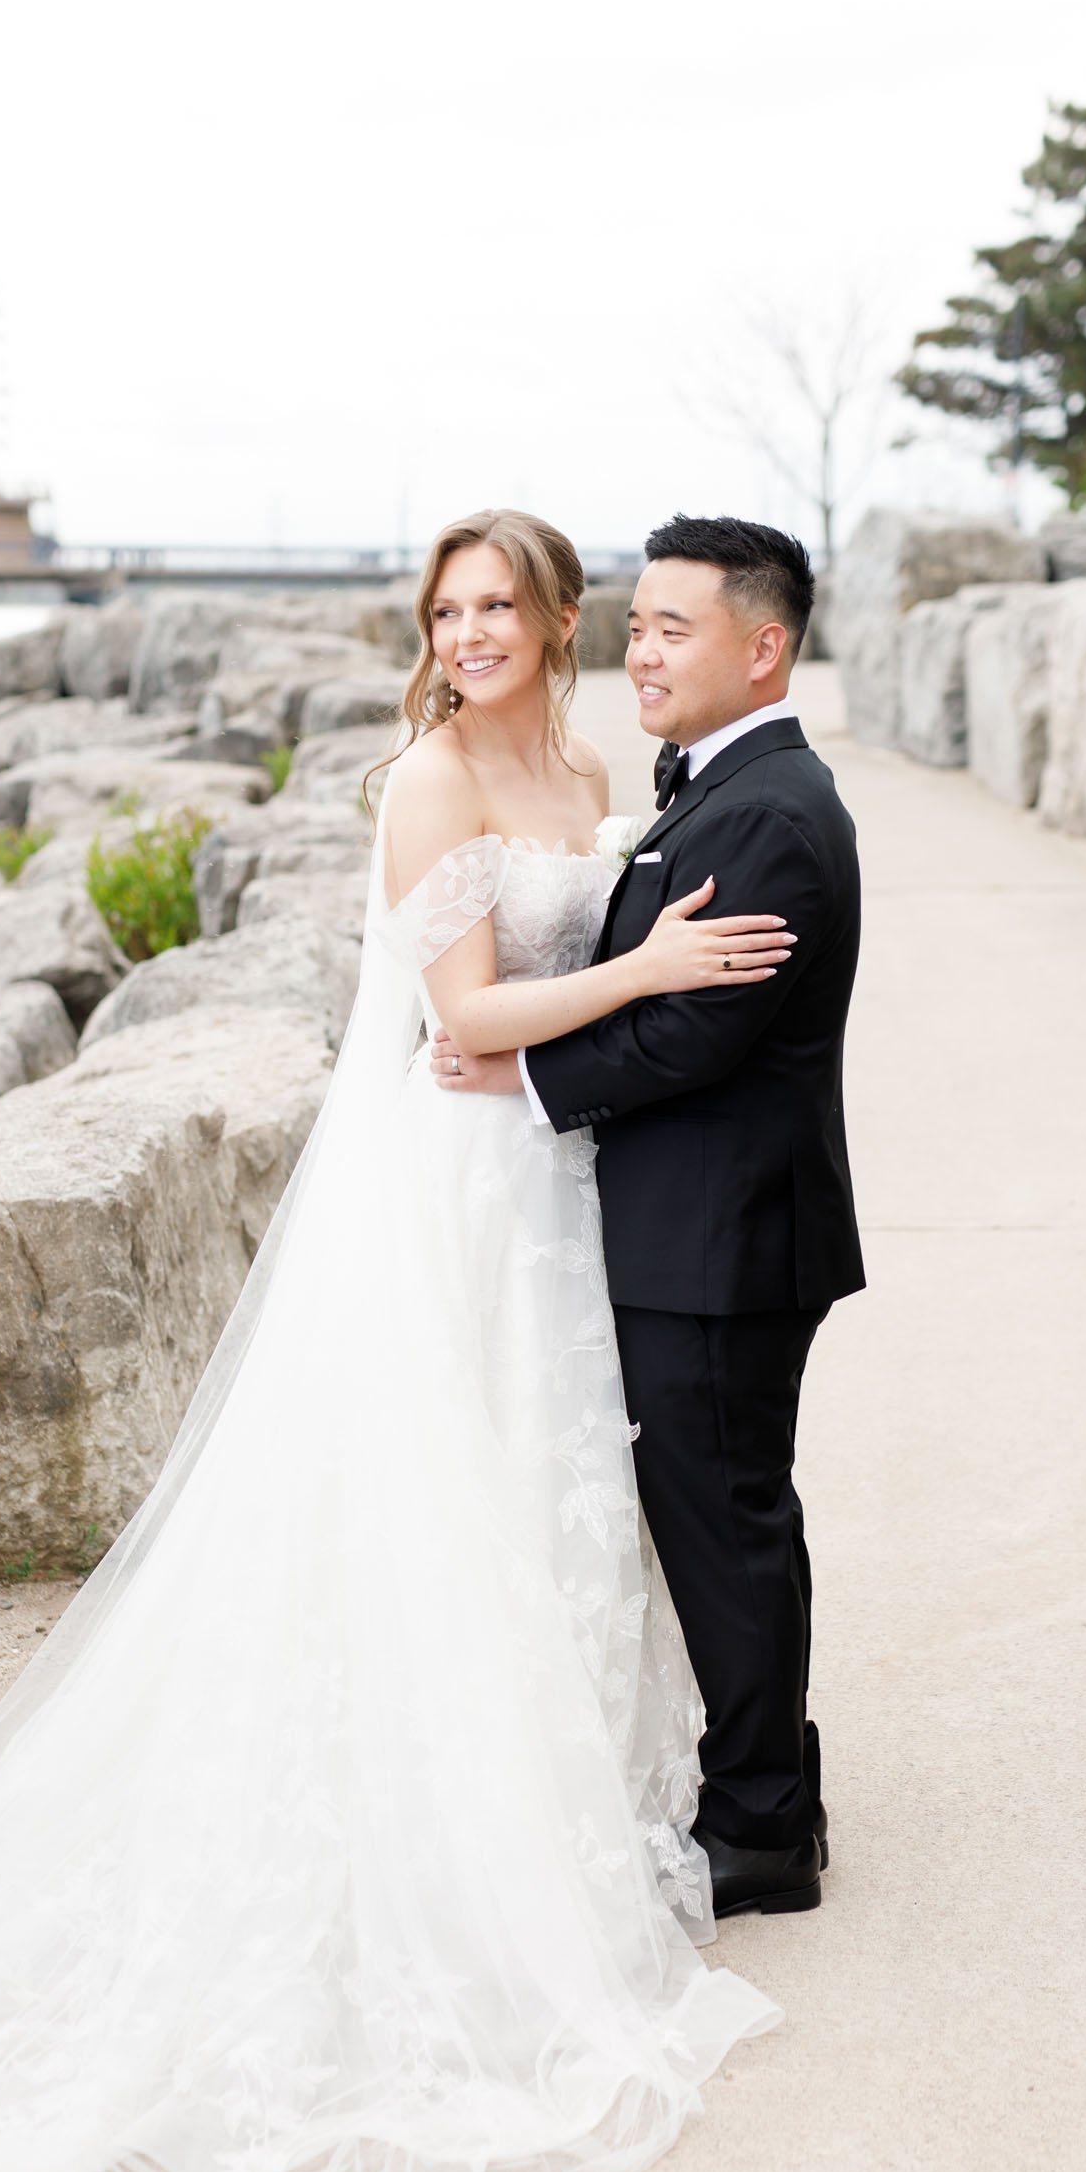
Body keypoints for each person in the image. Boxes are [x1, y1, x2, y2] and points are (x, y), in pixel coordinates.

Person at [0, 509, 790, 2172]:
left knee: (544, 1477)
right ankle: (415, 1860)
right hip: (450, 1185)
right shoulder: (427, 782)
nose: (475, 630)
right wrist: (650, 971)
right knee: (436, 1497)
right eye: (450, 609)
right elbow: (469, 1020)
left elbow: (547, 975)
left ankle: (546, 1816)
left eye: (502, 603)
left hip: (551, 1184)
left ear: (561, 617)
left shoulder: (586, 759)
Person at [435, 514, 865, 1920]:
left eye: (677, 627)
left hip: (723, 1240)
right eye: (641, 622)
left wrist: (521, 1067)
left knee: (726, 1523)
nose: (647, 649)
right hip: (696, 1226)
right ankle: (767, 1784)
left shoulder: (776, 814)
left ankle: (759, 1831)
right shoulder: (715, 787)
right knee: (724, 1517)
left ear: (765, 646)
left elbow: (697, 1037)